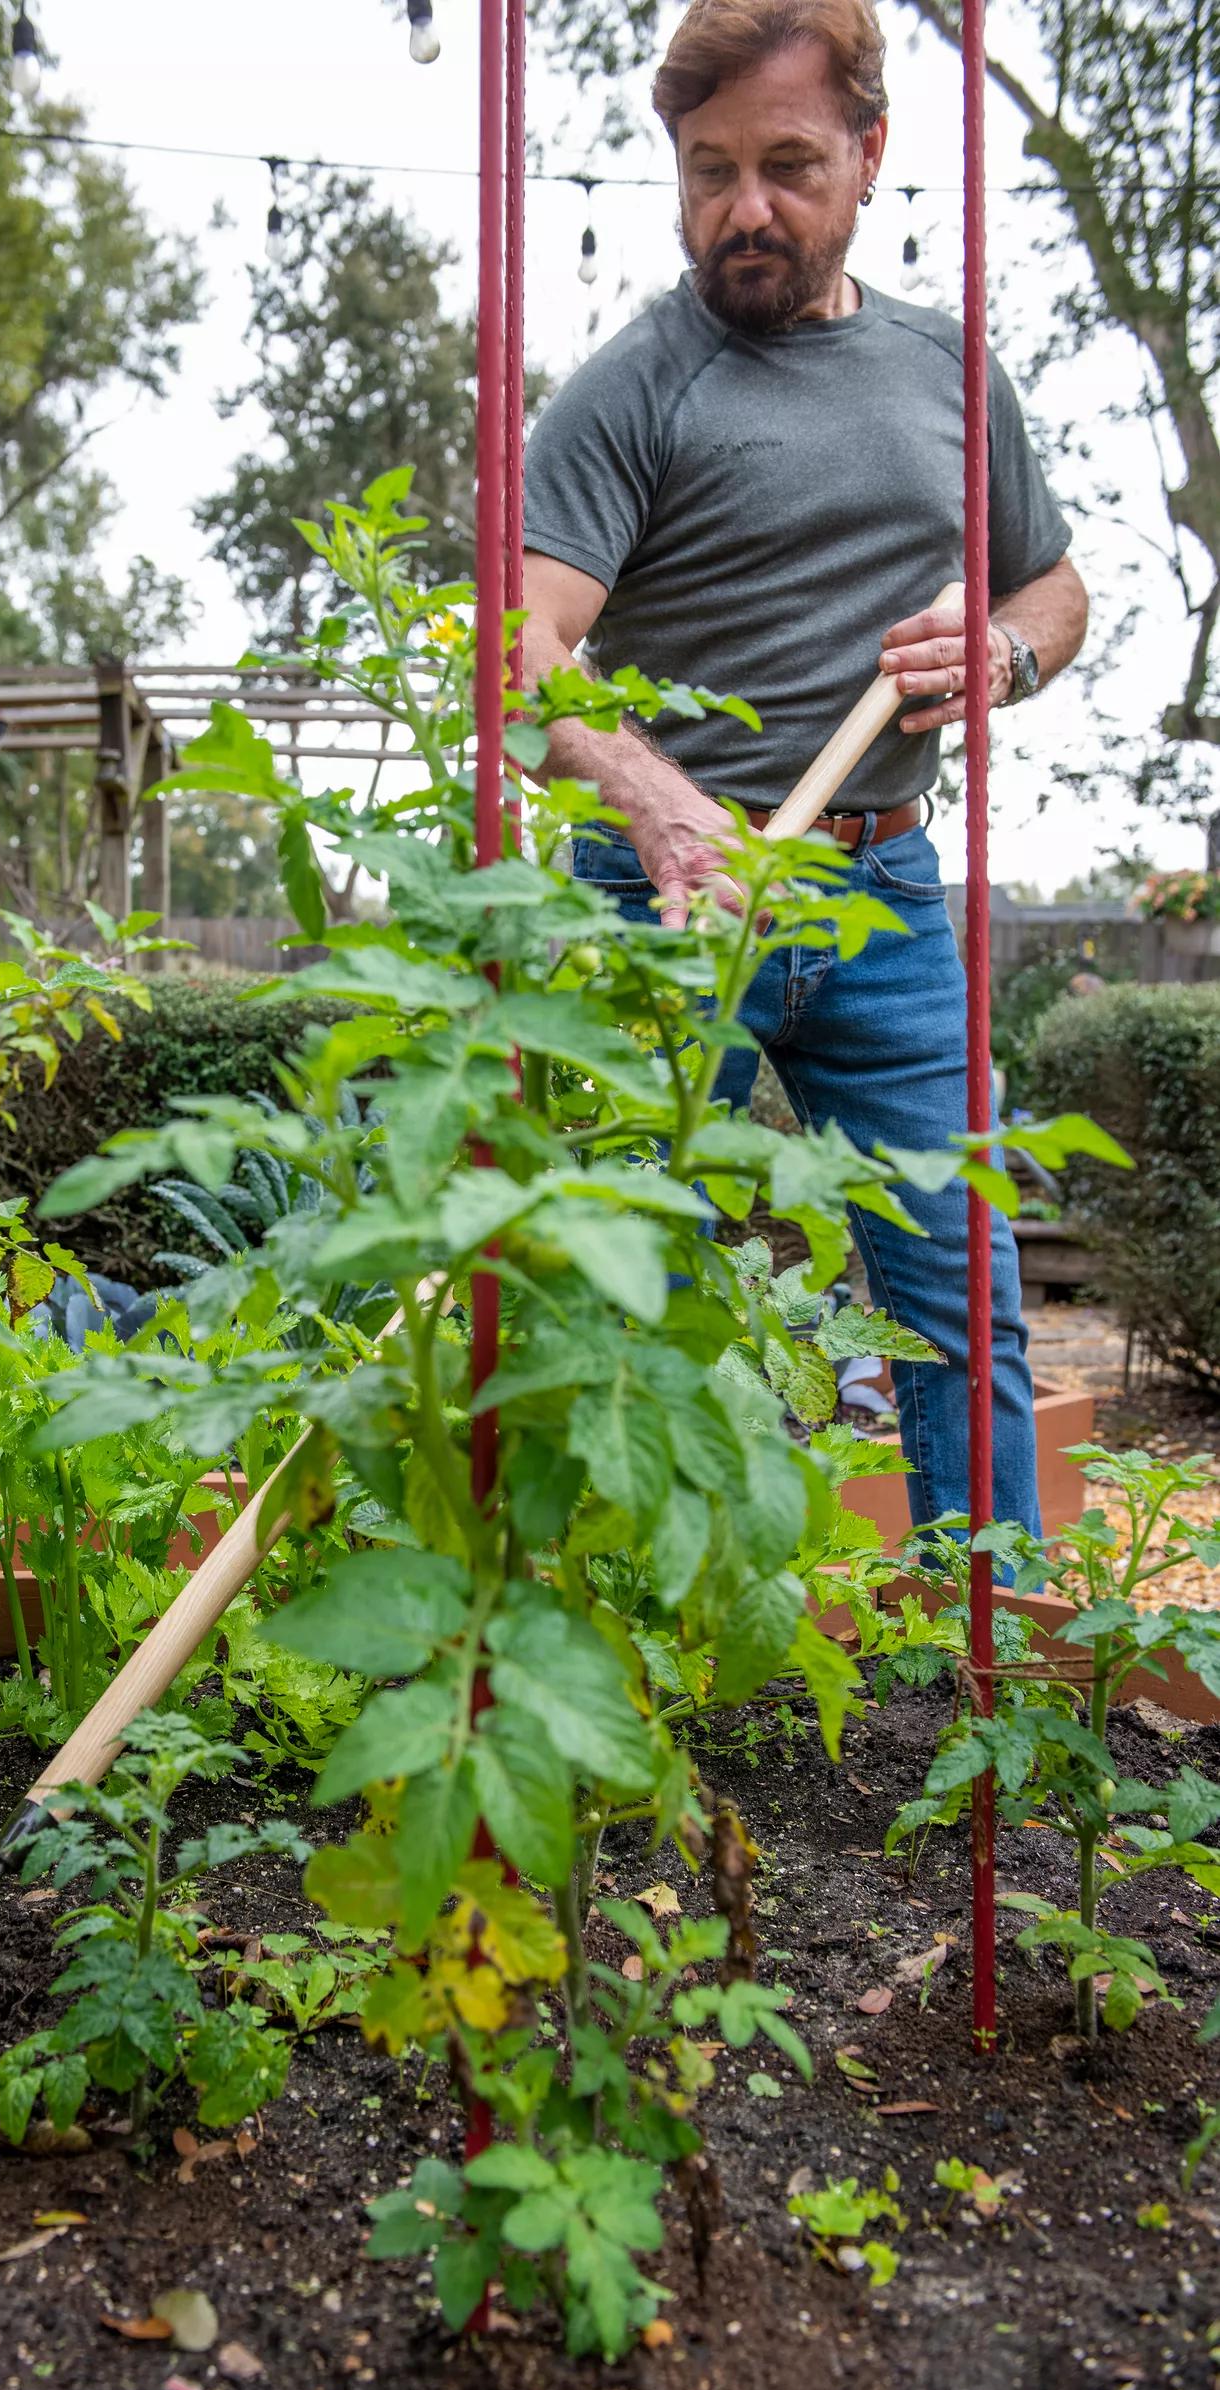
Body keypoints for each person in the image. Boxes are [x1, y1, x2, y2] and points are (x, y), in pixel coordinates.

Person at [519, 0, 1087, 1538]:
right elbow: (524, 652)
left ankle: (992, 1657)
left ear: (870, 155)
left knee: (963, 1302)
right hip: (658, 904)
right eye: (709, 172)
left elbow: (1053, 587)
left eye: (786, 165)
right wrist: (654, 799)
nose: (744, 210)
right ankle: (627, 1670)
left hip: (884, 888)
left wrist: (1008, 656)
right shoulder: (634, 387)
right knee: (624, 1314)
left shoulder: (949, 371)